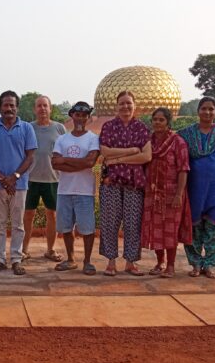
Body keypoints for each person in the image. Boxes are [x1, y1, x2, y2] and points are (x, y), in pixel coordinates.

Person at [179, 96, 215, 278]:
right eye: (204, 108)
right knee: (194, 226)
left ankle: (209, 264)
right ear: (198, 111)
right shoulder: (186, 134)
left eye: (211, 109)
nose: (207, 112)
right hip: (194, 188)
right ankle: (195, 264)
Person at [0, 90, 37, 275]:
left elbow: (30, 157)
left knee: (17, 224)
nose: (9, 108)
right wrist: (2, 178)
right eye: (6, 105)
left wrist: (14, 177)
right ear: (0, 107)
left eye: (12, 105)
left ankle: (15, 259)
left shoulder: (27, 128)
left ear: (17, 107)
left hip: (19, 185)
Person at [98, 90, 152, 277]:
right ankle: (111, 262)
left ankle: (131, 262)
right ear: (116, 105)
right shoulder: (108, 127)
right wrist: (131, 151)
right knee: (110, 222)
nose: (125, 107)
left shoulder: (141, 128)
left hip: (133, 183)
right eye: (122, 103)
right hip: (111, 182)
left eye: (128, 103)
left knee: (132, 223)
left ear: (134, 105)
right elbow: (105, 151)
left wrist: (116, 158)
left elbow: (146, 156)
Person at [141, 107, 192, 278]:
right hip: (152, 193)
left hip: (171, 193)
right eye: (155, 119)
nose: (157, 123)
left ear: (168, 122)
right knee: (155, 228)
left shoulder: (178, 142)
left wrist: (179, 194)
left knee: (170, 229)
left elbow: (183, 169)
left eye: (161, 120)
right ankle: (159, 262)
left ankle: (170, 265)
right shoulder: (148, 141)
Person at [51, 101, 100, 274]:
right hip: (65, 189)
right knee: (65, 227)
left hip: (84, 190)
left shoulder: (93, 138)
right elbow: (55, 163)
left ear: (89, 118)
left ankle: (87, 261)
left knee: (87, 228)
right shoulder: (62, 139)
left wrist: (65, 160)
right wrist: (78, 163)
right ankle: (71, 259)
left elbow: (90, 162)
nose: (80, 118)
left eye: (84, 115)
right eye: (77, 115)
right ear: (72, 116)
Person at [22, 95, 65, 263]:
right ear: (35, 109)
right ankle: (23, 250)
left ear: (50, 108)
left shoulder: (59, 128)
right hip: (30, 178)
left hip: (53, 179)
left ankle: (51, 249)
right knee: (27, 215)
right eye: (39, 106)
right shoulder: (27, 128)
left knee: (52, 215)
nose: (42, 109)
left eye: (45, 106)